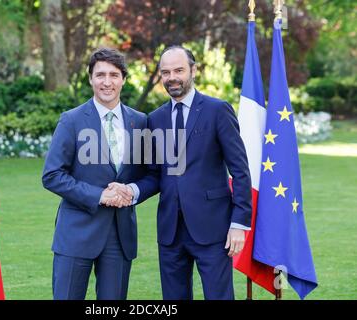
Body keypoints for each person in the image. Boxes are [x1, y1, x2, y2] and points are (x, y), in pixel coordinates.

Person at [112, 45, 252, 300]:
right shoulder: (154, 119)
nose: (172, 77)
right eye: (165, 72)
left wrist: (239, 223)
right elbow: (154, 174)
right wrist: (130, 191)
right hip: (170, 231)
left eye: (178, 70)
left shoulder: (217, 110)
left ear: (193, 70)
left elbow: (240, 170)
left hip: (213, 229)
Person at [42, 48, 146, 300]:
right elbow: (52, 174)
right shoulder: (71, 120)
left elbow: (151, 175)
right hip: (77, 230)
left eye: (113, 75)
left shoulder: (140, 122)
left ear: (123, 79)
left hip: (120, 236)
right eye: (100, 75)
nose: (107, 82)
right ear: (90, 78)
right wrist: (99, 195)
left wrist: (132, 191)